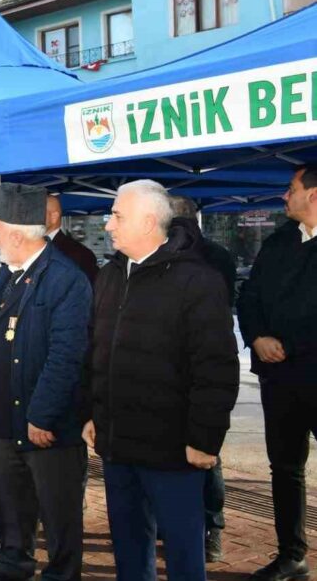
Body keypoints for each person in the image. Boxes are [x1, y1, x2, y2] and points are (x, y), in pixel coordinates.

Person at [83, 179, 239, 580]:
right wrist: (92, 413)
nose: (108, 225)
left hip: (173, 453)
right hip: (118, 447)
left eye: (117, 216)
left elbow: (216, 368)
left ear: (149, 222)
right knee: (130, 553)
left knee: (185, 556)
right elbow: (97, 354)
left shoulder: (197, 281)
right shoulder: (110, 276)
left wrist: (204, 439)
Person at [0, 184, 92, 581]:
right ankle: (13, 566)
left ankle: (60, 574)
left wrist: (41, 414)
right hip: (6, 422)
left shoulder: (66, 280)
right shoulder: (3, 277)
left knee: (58, 516)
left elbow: (67, 356)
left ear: (18, 234)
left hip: (47, 428)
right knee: (11, 508)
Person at [238, 164, 317, 581]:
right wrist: (257, 337)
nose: (284, 197)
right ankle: (292, 556)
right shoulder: (279, 241)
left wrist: (291, 345)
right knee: (285, 468)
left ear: (314, 196)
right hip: (280, 381)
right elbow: (248, 296)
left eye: (291, 189)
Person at [171, 195, 238, 563]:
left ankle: (210, 528)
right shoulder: (218, 256)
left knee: (206, 455)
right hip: (182, 369)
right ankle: (207, 529)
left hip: (195, 367)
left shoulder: (209, 258)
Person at [44, 195, 99, 284]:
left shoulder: (79, 254)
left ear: (54, 217)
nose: (32, 218)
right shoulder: (31, 247)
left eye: (38, 213)